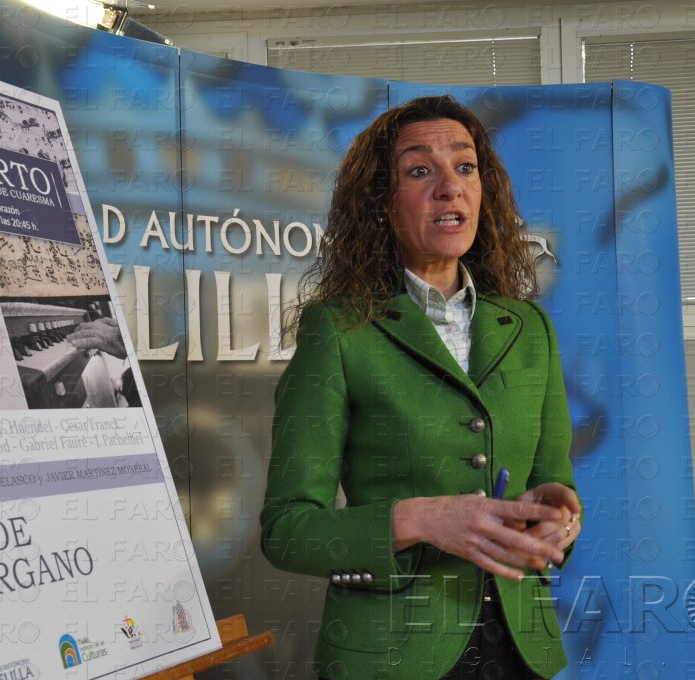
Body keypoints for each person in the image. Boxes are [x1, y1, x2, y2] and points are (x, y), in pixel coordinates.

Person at [260, 95, 582, 680]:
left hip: (521, 650)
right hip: (391, 657)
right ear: (382, 202)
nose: (449, 187)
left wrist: (555, 515)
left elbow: (552, 484)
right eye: (418, 170)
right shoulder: (339, 331)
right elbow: (288, 530)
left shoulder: (531, 329)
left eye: (465, 166)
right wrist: (419, 519)